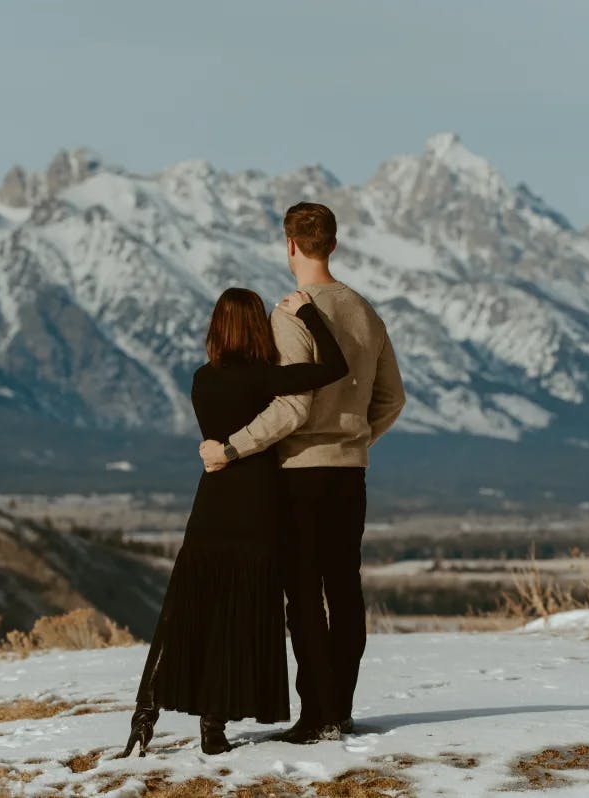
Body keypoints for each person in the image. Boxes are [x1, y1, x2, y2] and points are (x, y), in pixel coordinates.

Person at [200, 202, 406, 744]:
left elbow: (291, 408)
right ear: (332, 245)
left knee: (303, 596)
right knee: (344, 589)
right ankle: (340, 709)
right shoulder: (365, 311)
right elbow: (392, 398)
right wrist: (355, 439)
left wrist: (232, 447)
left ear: (290, 245)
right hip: (350, 472)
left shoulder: (291, 313)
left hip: (299, 472)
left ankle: (317, 716)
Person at [121, 286, 349, 757]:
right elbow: (335, 367)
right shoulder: (264, 378)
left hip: (211, 503)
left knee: (184, 609)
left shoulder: (202, 378)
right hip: (257, 502)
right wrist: (307, 314)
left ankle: (144, 717)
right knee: (238, 611)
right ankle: (213, 726)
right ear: (257, 328)